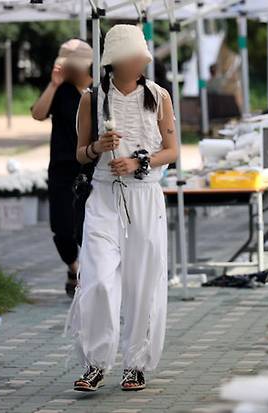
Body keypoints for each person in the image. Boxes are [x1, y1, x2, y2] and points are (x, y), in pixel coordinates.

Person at [64, 24, 178, 392]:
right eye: (131, 57)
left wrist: (139, 162)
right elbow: (79, 152)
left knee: (142, 281)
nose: (138, 63)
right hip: (103, 197)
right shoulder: (91, 98)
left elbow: (173, 152)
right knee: (98, 278)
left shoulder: (159, 96)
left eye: (140, 57)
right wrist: (98, 147)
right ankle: (96, 362)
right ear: (115, 62)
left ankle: (137, 364)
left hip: (144, 197)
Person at [31, 39, 93, 298]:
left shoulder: (98, 89)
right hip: (62, 167)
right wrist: (54, 84)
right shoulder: (61, 90)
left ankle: (90, 273)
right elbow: (38, 113)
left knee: (89, 226)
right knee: (63, 228)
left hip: (91, 166)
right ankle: (73, 266)